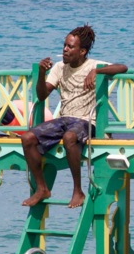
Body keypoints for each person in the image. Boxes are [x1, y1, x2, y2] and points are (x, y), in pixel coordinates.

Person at [19, 26, 128, 208]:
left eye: (70, 47)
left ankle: (78, 190)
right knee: (27, 138)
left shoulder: (92, 65)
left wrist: (97, 72)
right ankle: (41, 188)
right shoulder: (59, 68)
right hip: (64, 119)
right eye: (64, 45)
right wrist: (40, 73)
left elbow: (123, 67)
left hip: (87, 121)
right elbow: (41, 95)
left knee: (69, 137)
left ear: (82, 51)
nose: (65, 50)